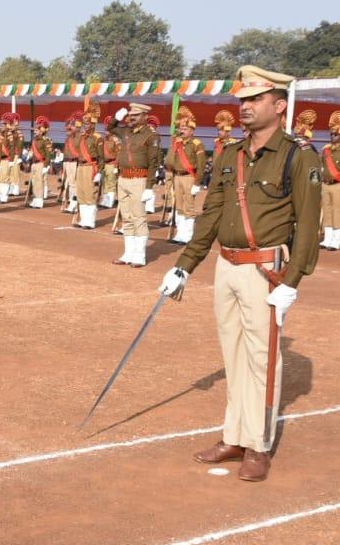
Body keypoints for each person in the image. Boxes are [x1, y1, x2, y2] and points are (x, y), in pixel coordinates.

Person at [158, 66, 321, 482]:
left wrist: (293, 280)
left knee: (262, 361)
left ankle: (258, 445)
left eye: (255, 100)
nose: (244, 108)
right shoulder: (231, 154)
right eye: (243, 100)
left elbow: (308, 223)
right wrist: (185, 265)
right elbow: (211, 214)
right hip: (226, 266)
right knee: (233, 356)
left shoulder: (297, 156)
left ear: (279, 105)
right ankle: (234, 435)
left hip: (265, 270)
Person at [109, 102, 160, 267]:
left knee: (139, 218)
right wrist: (117, 118)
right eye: (130, 115)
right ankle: (128, 253)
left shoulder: (151, 136)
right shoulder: (126, 131)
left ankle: (139, 255)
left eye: (136, 115)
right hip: (123, 179)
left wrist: (149, 187)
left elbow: (153, 162)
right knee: (127, 217)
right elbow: (110, 128)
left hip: (139, 179)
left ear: (145, 116)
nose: (131, 117)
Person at [164, 106, 206, 245]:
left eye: (185, 129)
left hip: (189, 177)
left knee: (189, 207)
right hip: (177, 176)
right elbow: (170, 160)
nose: (182, 130)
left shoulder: (196, 144)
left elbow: (201, 165)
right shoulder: (177, 143)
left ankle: (187, 235)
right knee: (179, 206)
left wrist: (197, 183)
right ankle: (179, 235)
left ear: (192, 130)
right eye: (181, 128)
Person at [318, 112, 340, 251]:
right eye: (331, 134)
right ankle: (327, 238)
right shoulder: (325, 149)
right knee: (327, 210)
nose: (333, 137)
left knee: (337, 211)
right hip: (325, 184)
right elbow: (319, 166)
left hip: (338, 184)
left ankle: (336, 239)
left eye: (336, 135)